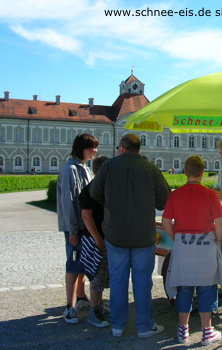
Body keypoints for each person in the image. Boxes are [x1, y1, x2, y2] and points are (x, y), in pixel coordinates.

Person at [90, 133, 170, 338]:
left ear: (122, 148)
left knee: (118, 280)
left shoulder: (108, 166)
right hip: (143, 235)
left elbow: (94, 193)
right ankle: (144, 326)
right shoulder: (151, 168)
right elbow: (164, 200)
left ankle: (117, 326)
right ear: (138, 149)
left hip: (116, 234)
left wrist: (110, 202)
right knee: (143, 281)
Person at [162, 155, 222, 345]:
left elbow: (166, 222)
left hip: (183, 246)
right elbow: (220, 222)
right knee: (207, 287)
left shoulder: (175, 194)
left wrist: (176, 238)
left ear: (185, 172)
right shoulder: (210, 195)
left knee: (184, 287)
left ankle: (183, 330)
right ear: (202, 173)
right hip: (206, 245)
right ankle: (207, 331)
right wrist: (219, 240)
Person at [57, 133, 99, 324]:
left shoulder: (85, 168)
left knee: (83, 264)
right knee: (73, 265)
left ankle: (81, 298)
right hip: (76, 228)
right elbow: (68, 202)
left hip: (85, 227)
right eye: (92, 147)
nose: (95, 151)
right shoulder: (70, 170)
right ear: (82, 148)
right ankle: (69, 307)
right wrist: (73, 230)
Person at [79, 155, 110, 328]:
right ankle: (94, 311)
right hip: (95, 239)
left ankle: (98, 305)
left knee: (103, 274)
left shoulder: (101, 188)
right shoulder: (92, 189)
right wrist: (98, 239)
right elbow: (86, 215)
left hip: (102, 238)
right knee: (97, 275)